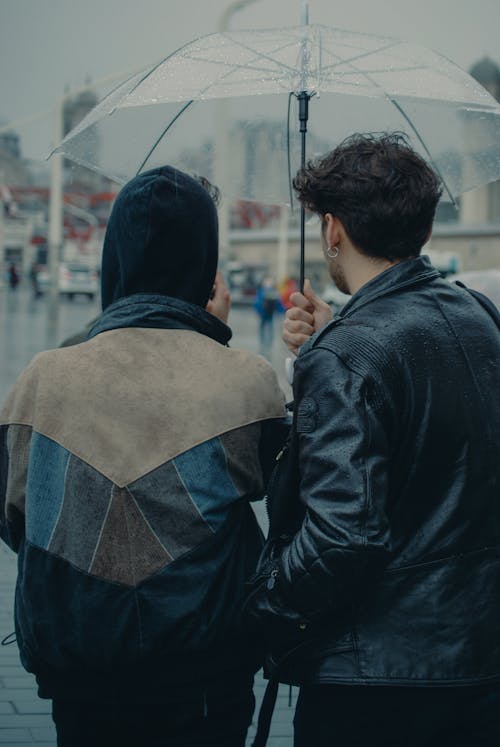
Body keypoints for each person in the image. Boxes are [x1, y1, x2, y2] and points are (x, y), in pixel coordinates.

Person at [0, 166, 287, 747]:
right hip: (206, 676)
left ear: (113, 258)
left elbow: (14, 520)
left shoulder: (42, 379)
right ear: (207, 268)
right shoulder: (246, 380)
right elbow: (288, 507)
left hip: (79, 675)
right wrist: (210, 338)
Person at [246, 133, 500, 746]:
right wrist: (332, 346)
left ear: (331, 230)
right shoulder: (482, 320)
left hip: (376, 684)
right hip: (481, 663)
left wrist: (264, 603)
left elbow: (342, 536)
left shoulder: (346, 356)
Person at [254, 276, 283, 354]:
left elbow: (257, 302)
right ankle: (266, 341)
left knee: (266, 327)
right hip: (267, 313)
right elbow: (278, 304)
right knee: (267, 327)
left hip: (266, 313)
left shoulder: (264, 292)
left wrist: (282, 311)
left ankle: (266, 342)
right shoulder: (269, 292)